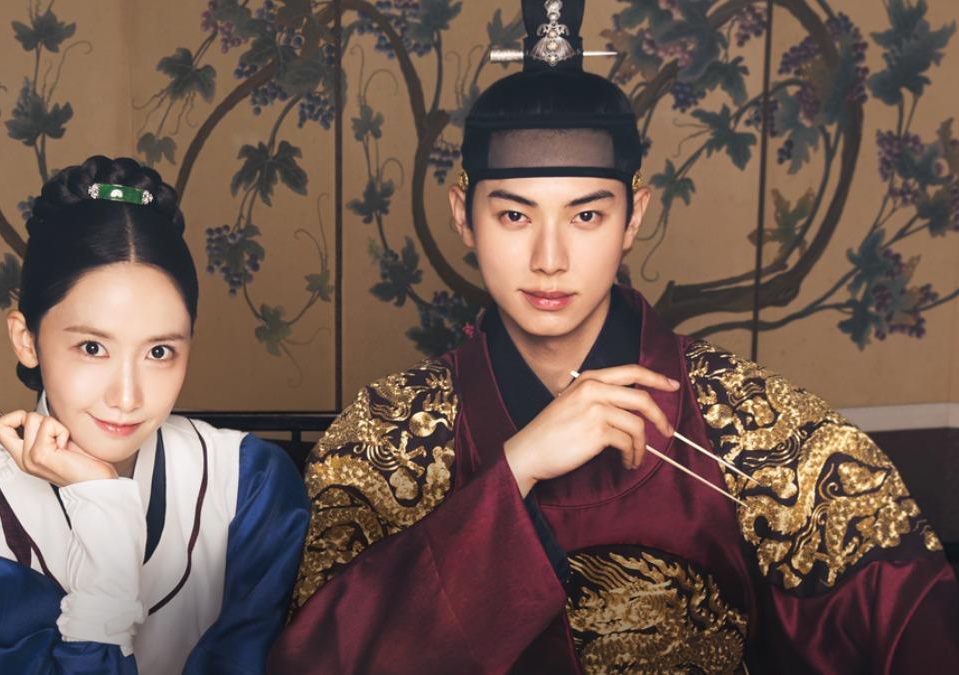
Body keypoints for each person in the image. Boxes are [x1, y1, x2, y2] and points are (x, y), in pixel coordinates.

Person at [268, 1, 959, 672]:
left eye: (587, 216)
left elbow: (911, 618)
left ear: (634, 218)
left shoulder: (751, 421)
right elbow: (315, 660)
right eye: (514, 216)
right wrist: (516, 468)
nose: (549, 258)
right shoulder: (385, 436)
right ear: (463, 216)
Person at [0, 156, 309, 674]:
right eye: (93, 347)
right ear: (26, 339)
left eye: (159, 352)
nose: (127, 396)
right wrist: (104, 509)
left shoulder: (248, 484)